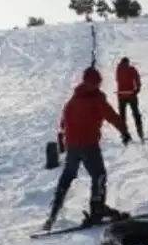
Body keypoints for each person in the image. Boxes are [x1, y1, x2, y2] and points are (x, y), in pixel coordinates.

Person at [43, 66, 133, 231]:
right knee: (99, 175)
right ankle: (97, 210)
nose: (97, 85)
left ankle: (53, 214)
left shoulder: (73, 99)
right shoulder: (96, 100)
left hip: (73, 146)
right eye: (96, 83)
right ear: (93, 83)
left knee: (68, 176)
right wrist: (125, 132)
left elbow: (63, 123)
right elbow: (112, 116)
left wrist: (62, 142)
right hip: (88, 145)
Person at [115, 57, 145, 143]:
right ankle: (140, 133)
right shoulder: (131, 69)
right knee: (136, 113)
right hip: (131, 94)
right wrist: (137, 89)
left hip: (121, 95)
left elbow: (117, 80)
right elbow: (137, 78)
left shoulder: (118, 70)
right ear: (128, 62)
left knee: (122, 116)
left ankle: (125, 136)